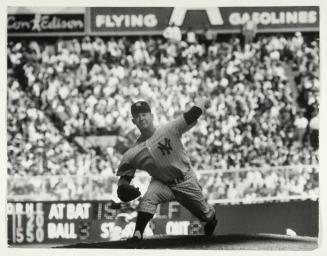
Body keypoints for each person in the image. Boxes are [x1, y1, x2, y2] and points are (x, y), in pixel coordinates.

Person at [116, 99, 217, 241]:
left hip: (186, 180)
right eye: (137, 116)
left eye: (144, 114)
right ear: (134, 121)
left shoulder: (169, 129)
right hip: (162, 184)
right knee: (147, 200)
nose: (141, 117)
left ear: (152, 116)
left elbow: (191, 115)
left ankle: (210, 222)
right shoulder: (133, 152)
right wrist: (122, 188)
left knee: (206, 216)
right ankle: (137, 235)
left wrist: (201, 103)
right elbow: (124, 178)